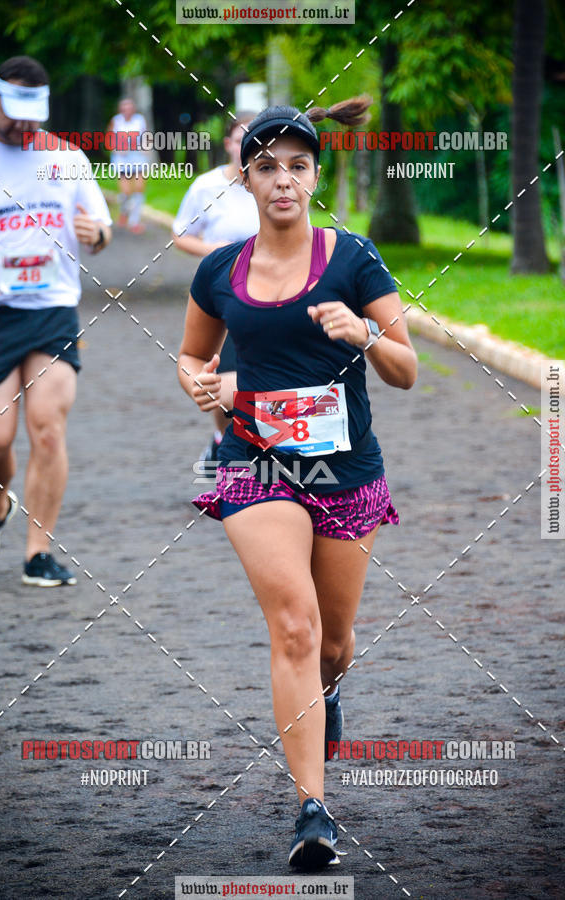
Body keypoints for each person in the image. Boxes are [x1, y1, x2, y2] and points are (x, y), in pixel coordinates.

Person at [177, 100, 417, 868]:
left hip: (345, 470)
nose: (284, 180)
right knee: (294, 626)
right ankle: (312, 810)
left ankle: (330, 691)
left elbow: (407, 370)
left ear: (317, 176)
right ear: (244, 177)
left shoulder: (354, 259)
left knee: (334, 643)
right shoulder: (219, 270)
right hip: (254, 465)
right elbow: (191, 356)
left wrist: (366, 332)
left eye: (299, 166)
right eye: (268, 166)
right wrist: (202, 386)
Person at [0, 55, 112, 586]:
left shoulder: (67, 158)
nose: (25, 125)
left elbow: (101, 230)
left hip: (52, 310)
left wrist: (97, 235)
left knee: (48, 431)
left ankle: (37, 553)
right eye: (14, 113)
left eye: (34, 114)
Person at [173, 113, 260, 463]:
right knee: (221, 378)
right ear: (228, 144)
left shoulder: (270, 185)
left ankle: (254, 456)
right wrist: (214, 252)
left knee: (259, 375)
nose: (247, 148)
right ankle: (221, 438)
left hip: (270, 296)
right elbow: (181, 234)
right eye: (240, 140)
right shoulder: (206, 188)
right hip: (222, 298)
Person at [108, 98, 148, 234]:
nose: (127, 111)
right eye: (124, 109)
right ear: (121, 110)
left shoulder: (140, 120)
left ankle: (134, 221)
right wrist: (117, 148)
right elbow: (109, 140)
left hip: (138, 159)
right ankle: (124, 213)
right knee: (125, 192)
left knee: (138, 189)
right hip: (122, 161)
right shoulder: (116, 121)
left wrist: (145, 147)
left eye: (129, 108)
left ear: (133, 109)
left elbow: (146, 137)